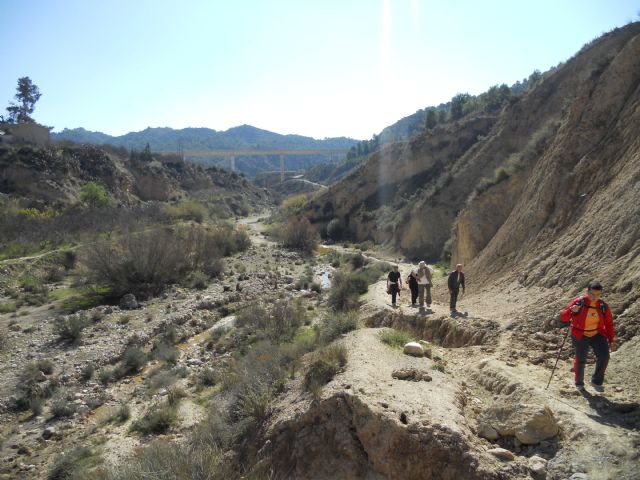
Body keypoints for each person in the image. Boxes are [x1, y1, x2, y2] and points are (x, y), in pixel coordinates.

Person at [560, 281, 615, 392]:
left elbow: (609, 323)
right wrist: (571, 310)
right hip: (580, 333)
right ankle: (579, 383)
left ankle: (596, 381)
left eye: (598, 295)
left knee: (605, 357)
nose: (595, 297)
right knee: (580, 359)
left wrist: (611, 339)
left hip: (597, 333)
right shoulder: (579, 302)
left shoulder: (603, 306)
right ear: (587, 292)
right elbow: (563, 317)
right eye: (592, 294)